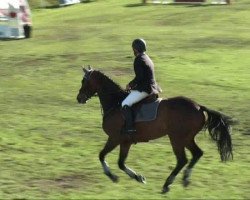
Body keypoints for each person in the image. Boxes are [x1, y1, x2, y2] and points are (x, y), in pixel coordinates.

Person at [121, 38, 161, 134]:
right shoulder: (147, 57)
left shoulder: (138, 60)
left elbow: (140, 77)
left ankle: (130, 128)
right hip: (153, 87)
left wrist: (129, 85)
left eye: (133, 49)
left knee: (125, 104)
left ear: (135, 49)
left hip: (145, 89)